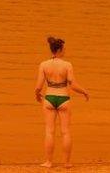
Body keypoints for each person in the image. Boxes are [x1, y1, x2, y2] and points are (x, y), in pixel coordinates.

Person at [34, 36, 89, 168]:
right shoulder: (67, 65)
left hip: (49, 99)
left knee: (49, 131)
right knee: (65, 132)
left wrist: (37, 95)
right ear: (59, 49)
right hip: (64, 99)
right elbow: (72, 85)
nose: (65, 51)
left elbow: (39, 86)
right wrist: (84, 91)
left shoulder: (43, 65)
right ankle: (67, 162)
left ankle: (48, 162)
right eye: (64, 49)